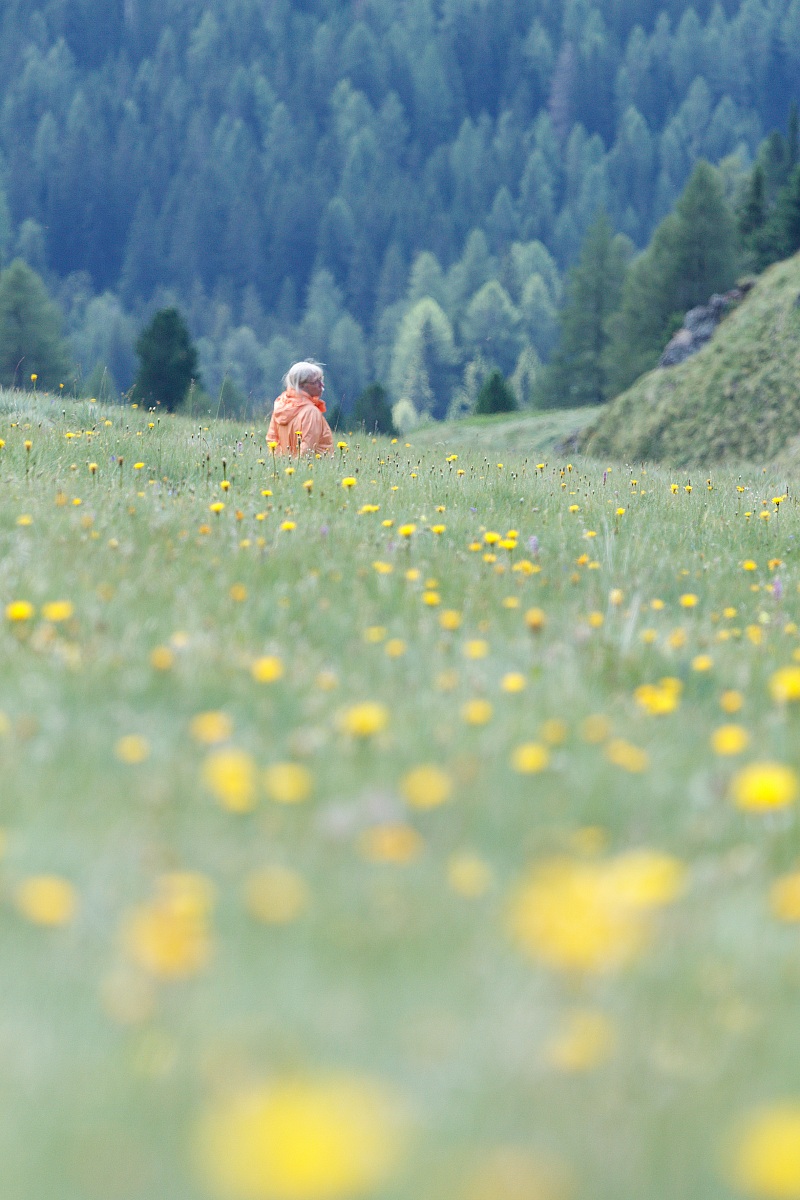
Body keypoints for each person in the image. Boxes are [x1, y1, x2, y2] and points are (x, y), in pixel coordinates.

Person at [267, 361, 334, 456]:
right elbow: (308, 447)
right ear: (301, 385)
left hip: (285, 467)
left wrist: (283, 463)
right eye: (316, 382)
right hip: (312, 467)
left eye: (321, 379)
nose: (322, 385)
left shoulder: (280, 404)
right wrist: (299, 465)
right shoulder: (311, 412)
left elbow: (272, 440)